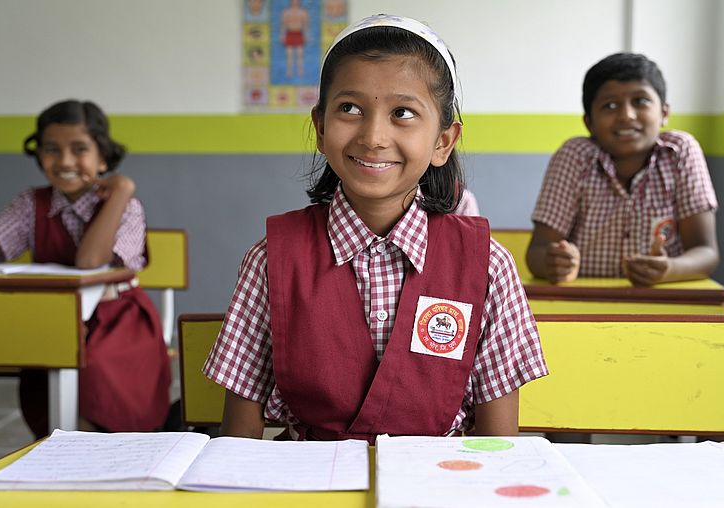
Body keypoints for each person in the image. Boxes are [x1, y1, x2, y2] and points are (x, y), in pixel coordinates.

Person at [204, 14, 547, 443]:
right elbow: (239, 439)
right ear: (321, 126)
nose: (373, 136)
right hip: (307, 484)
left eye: (403, 113)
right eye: (350, 109)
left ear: (443, 141)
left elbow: (499, 445)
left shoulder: (488, 266)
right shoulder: (270, 260)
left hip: (439, 485)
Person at [0, 100, 171, 439]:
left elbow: (90, 262)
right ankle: (62, 451)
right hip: (51, 318)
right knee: (45, 373)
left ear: (102, 157)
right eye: (52, 149)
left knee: (93, 372)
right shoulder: (31, 204)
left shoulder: (126, 206)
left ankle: (92, 451)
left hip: (118, 322)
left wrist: (121, 192)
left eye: (79, 149)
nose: (65, 161)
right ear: (39, 156)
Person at [526, 53, 719, 286]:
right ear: (589, 122)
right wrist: (554, 261)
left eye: (641, 101)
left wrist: (671, 269)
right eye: (610, 105)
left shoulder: (680, 152)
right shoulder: (575, 156)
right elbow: (536, 252)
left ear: (664, 113)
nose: (626, 115)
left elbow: (706, 252)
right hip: (583, 306)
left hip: (665, 303)